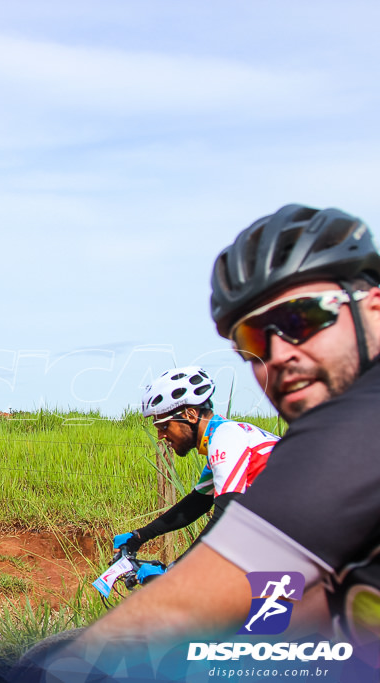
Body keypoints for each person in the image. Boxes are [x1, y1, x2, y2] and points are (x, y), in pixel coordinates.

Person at [73, 203, 380, 647]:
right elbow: (196, 507)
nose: (277, 355)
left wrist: (179, 578)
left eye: (303, 317)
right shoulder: (222, 447)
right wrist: (143, 535)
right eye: (253, 340)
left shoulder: (233, 440)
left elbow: (227, 516)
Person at [112, 366, 279, 583]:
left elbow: (228, 516)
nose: (161, 435)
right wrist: (140, 536)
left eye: (163, 425)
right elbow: (198, 503)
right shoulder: (227, 438)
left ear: (190, 415)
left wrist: (176, 572)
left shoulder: (226, 437)